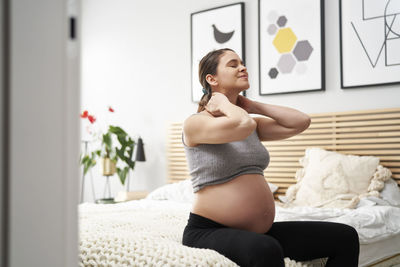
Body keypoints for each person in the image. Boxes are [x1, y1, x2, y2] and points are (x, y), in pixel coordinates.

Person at [181, 48, 360, 267]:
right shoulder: (196, 123)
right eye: (233, 64)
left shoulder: (248, 121)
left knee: (345, 237)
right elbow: (242, 124)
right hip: (209, 230)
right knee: (265, 249)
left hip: (257, 234)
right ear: (212, 79)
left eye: (243, 63)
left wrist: (252, 105)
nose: (243, 67)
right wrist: (225, 104)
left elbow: (300, 121)